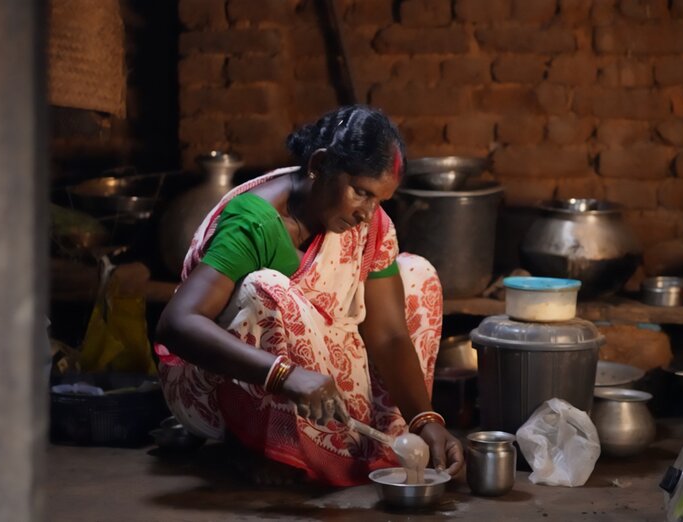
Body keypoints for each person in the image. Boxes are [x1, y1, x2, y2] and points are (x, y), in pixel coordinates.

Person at [154, 105, 464, 486]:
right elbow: (177, 322)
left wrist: (425, 419)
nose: (368, 213)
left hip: (315, 380)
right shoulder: (257, 222)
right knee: (265, 288)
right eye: (361, 193)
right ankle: (259, 442)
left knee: (418, 274)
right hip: (222, 383)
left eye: (378, 199)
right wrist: (285, 376)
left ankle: (372, 443)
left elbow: (388, 334)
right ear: (319, 164)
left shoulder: (368, 224)